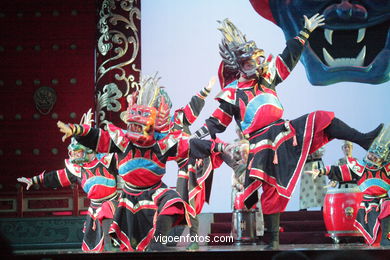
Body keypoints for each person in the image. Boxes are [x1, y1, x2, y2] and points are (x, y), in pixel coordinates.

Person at [193, 14, 384, 249]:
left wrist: (305, 32)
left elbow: (288, 58)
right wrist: (195, 135)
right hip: (261, 144)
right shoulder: (233, 93)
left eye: (258, 59)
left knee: (321, 118)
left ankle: (365, 139)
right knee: (273, 189)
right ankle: (271, 239)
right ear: (239, 65)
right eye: (250, 63)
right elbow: (215, 123)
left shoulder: (267, 78)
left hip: (284, 132)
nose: (257, 65)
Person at [57, 75, 225, 252]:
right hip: (131, 192)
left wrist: (219, 146)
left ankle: (182, 240)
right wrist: (76, 130)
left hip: (170, 176)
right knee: (109, 210)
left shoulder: (168, 132)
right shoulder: (123, 139)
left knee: (180, 202)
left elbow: (191, 137)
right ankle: (113, 245)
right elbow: (99, 138)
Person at [17, 124, 120, 252]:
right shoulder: (77, 170)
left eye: (78, 152)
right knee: (94, 243)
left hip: (112, 204)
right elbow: (56, 176)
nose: (75, 155)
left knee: (111, 236)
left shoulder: (107, 161)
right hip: (94, 207)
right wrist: (34, 180)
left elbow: (126, 161)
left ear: (88, 150)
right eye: (73, 153)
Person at [306, 125, 390, 246]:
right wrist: (320, 171)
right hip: (368, 205)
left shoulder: (387, 169)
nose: (371, 156)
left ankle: (386, 242)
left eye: (375, 156)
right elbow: (340, 170)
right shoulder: (360, 167)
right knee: (375, 237)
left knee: (387, 207)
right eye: (370, 154)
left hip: (384, 201)